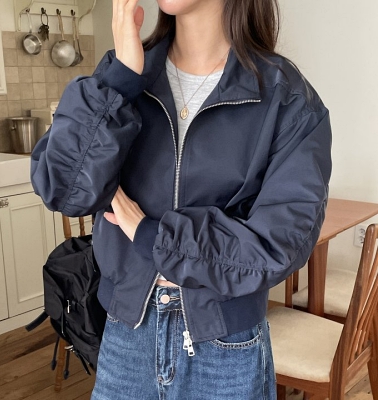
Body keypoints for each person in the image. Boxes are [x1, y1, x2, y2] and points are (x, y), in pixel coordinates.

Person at [31, 0, 332, 398]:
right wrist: (121, 79)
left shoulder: (287, 98)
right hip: (126, 337)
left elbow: (277, 246)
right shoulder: (122, 75)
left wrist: (152, 235)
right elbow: (63, 190)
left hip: (224, 346)